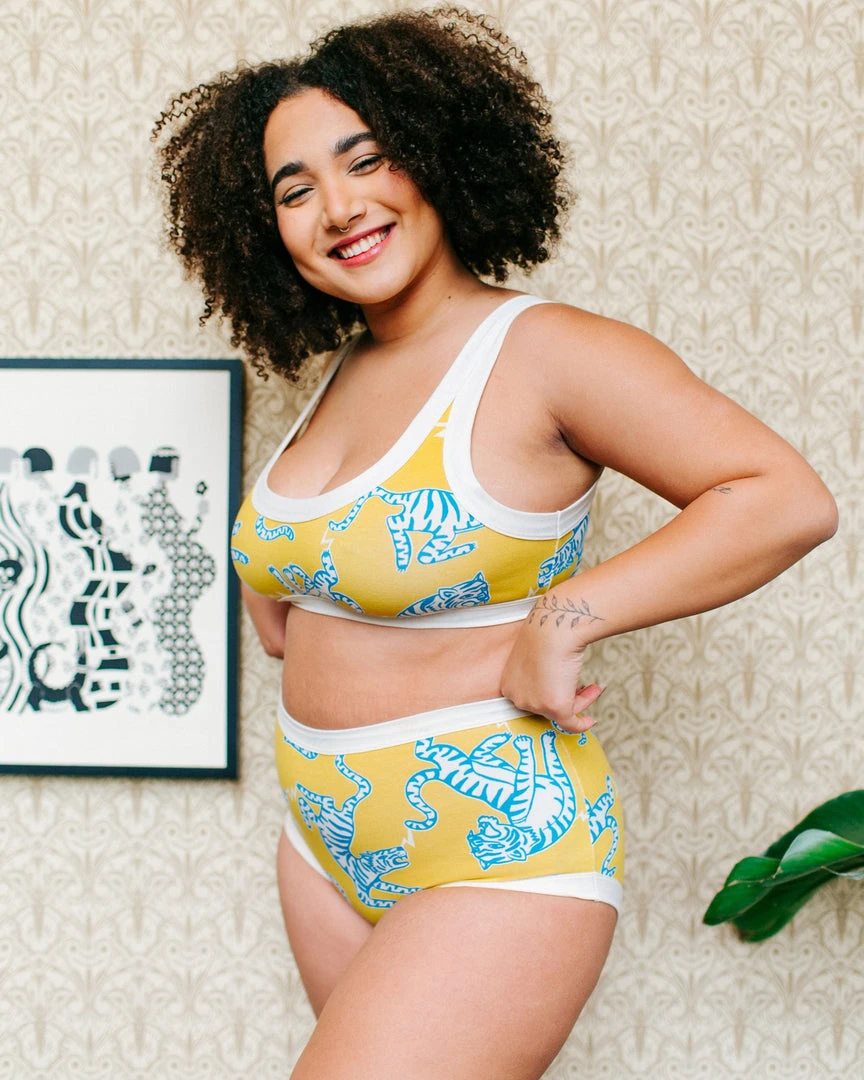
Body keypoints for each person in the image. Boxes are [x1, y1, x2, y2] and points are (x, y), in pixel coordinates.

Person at [152, 8, 838, 1077]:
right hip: (325, 837)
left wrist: (565, 617)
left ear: (440, 155)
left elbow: (783, 497)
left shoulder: (545, 350)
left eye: (366, 160)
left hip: (494, 839)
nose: (339, 207)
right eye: (295, 191)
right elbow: (294, 621)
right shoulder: (337, 377)